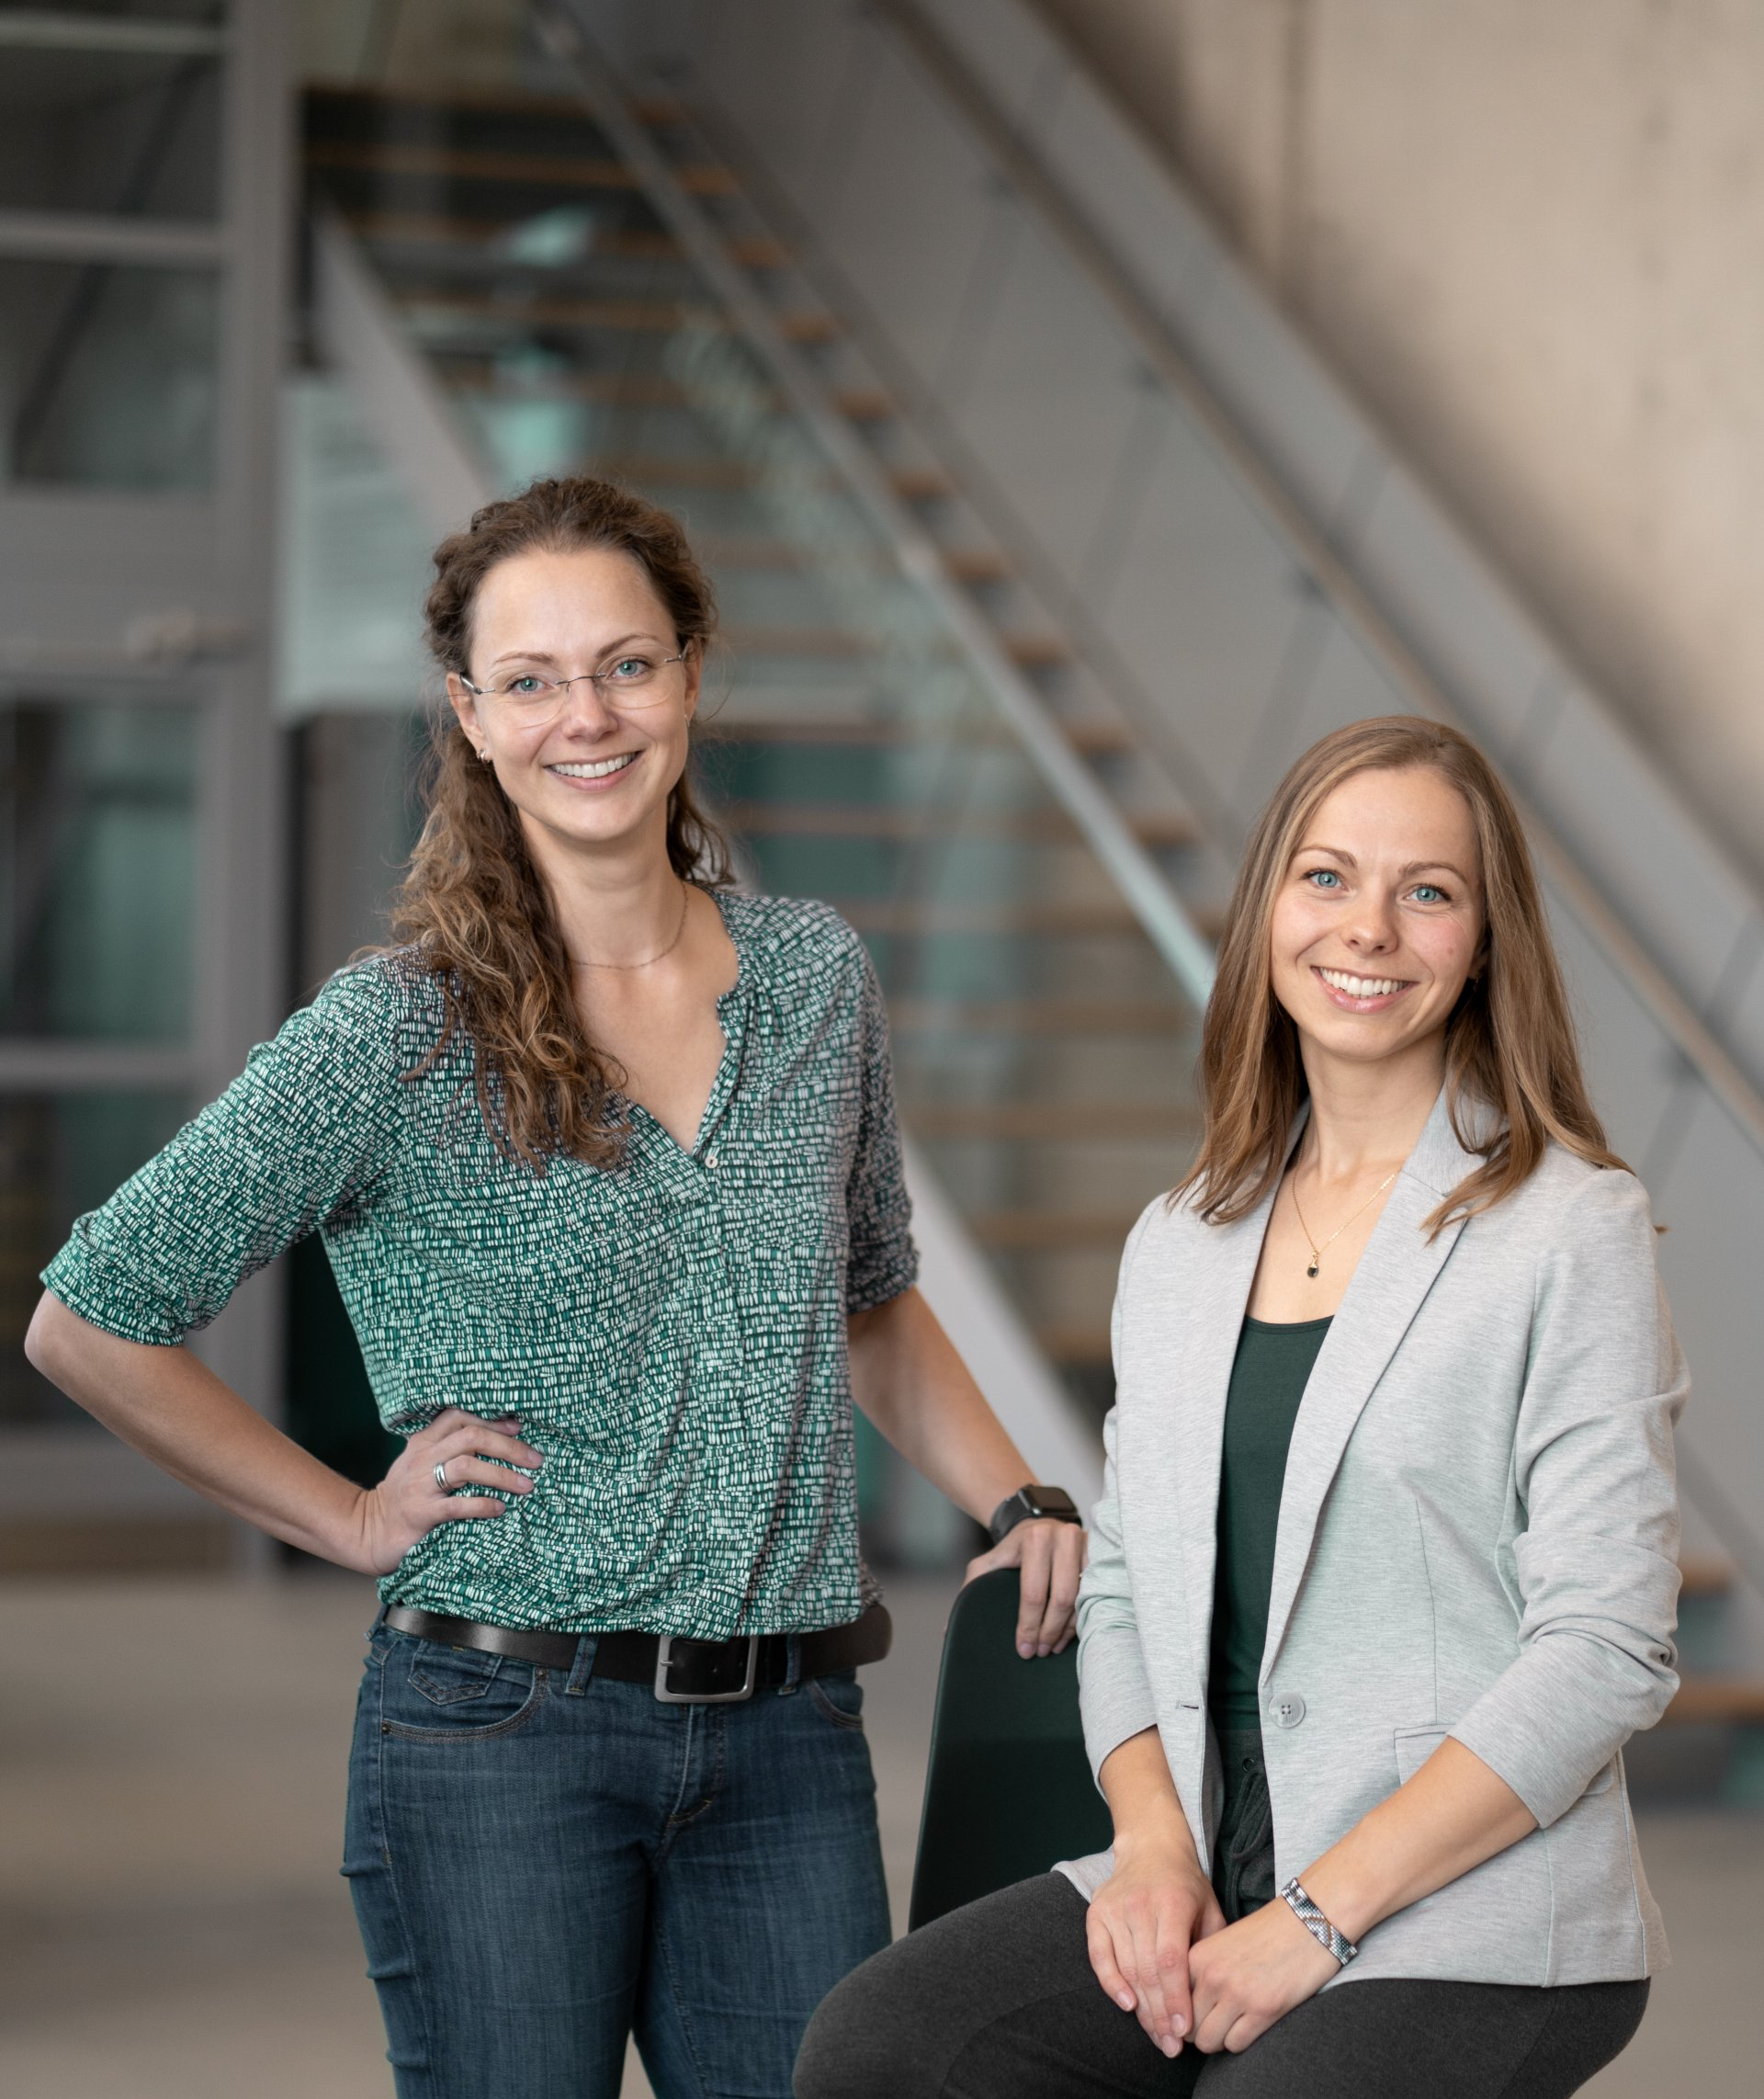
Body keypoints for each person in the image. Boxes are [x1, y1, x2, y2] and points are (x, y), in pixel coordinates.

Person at [24, 474, 1087, 2099]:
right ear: (471, 713)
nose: (585, 717)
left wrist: (1018, 1499)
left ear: (690, 673)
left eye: (625, 665)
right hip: (500, 1735)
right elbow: (90, 1318)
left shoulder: (815, 978)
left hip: (790, 1738)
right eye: (530, 680)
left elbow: (868, 1296)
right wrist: (348, 1518)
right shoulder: (401, 1028)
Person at [797, 715, 1683, 2099]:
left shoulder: (1569, 1228)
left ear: (1483, 943)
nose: (1368, 929)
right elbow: (1126, 1580)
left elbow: (1608, 1645)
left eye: (1427, 891)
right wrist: (1153, 1851)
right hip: (1211, 1851)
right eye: (1326, 877)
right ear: (1269, 909)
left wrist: (1316, 1919)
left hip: (1464, 1902)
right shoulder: (1183, 1240)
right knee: (885, 2051)